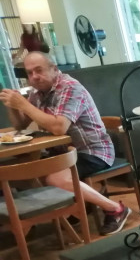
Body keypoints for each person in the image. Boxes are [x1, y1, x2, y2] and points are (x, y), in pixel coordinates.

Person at [0, 51, 131, 235]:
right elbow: (21, 125)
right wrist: (13, 107)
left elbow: (59, 127)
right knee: (20, 170)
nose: (34, 77)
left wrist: (23, 104)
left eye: (39, 70)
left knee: (54, 178)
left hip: (93, 151)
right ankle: (60, 211)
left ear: (54, 69)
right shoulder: (37, 93)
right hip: (62, 153)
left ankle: (115, 209)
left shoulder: (70, 88)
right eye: (29, 73)